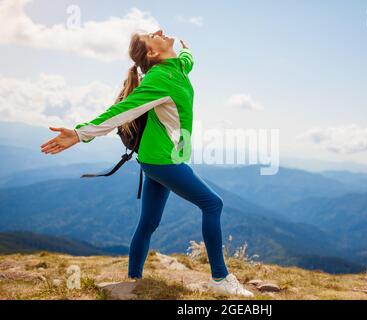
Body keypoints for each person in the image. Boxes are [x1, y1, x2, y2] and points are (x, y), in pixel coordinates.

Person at [40, 29, 254, 298]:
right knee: (213, 204)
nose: (160, 31)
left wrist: (187, 50)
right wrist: (80, 133)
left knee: (149, 222)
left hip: (155, 160)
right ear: (153, 53)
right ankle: (220, 278)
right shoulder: (158, 79)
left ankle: (133, 281)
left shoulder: (176, 69)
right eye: (152, 35)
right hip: (163, 161)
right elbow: (121, 112)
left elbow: (187, 62)